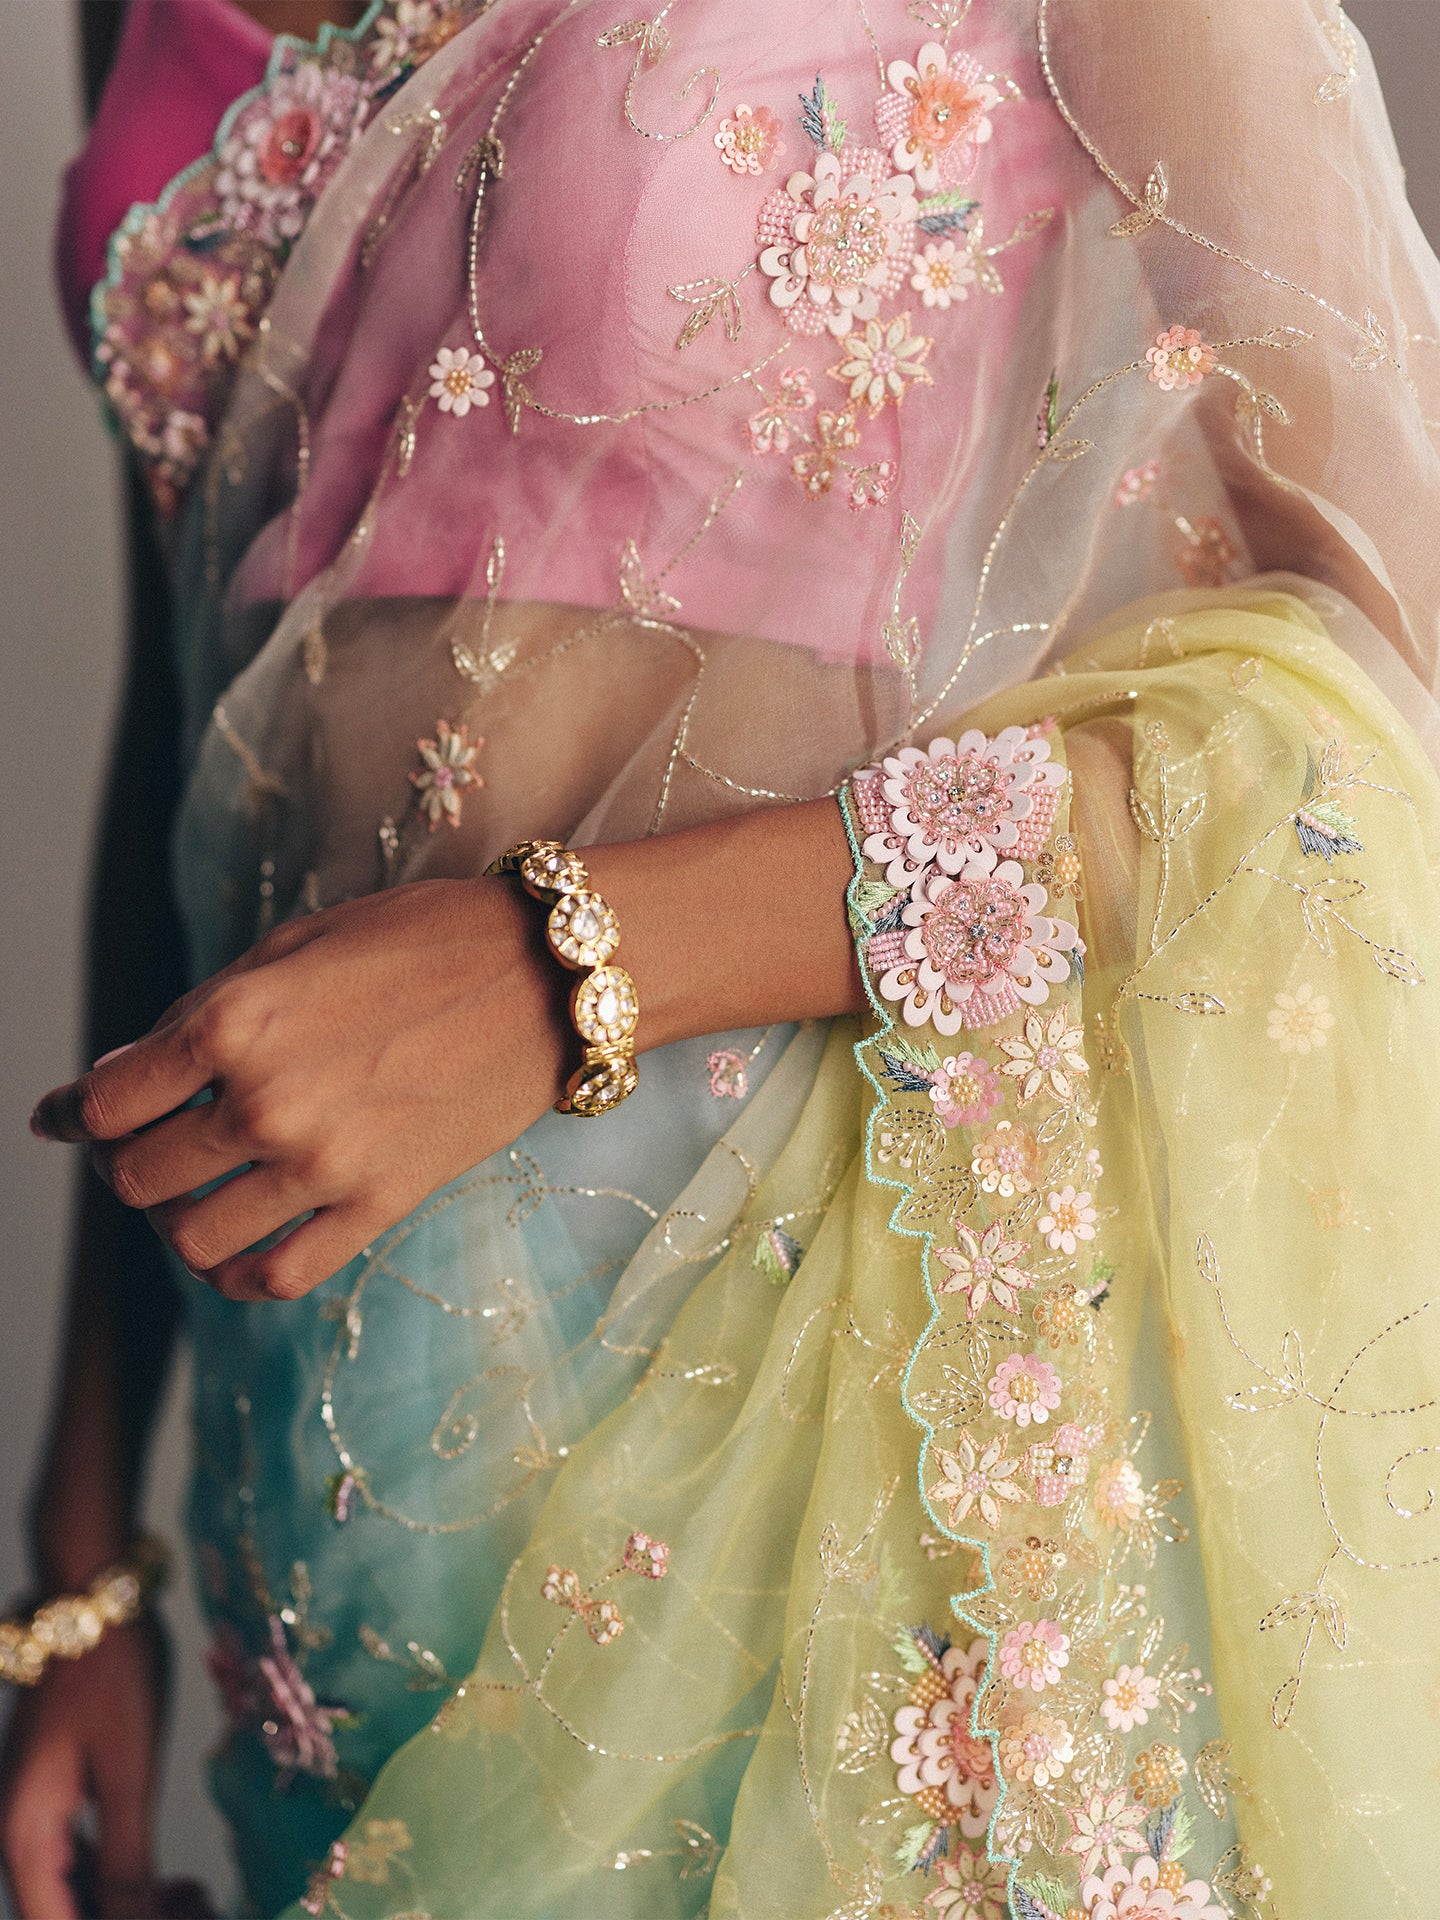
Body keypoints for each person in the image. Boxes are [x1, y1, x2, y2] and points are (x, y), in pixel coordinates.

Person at [5, 0, 1440, 1914]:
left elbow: (1355, 722)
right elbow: (195, 735)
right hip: (310, 1470)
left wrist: (558, 967)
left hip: (791, 1395)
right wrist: (84, 1548)